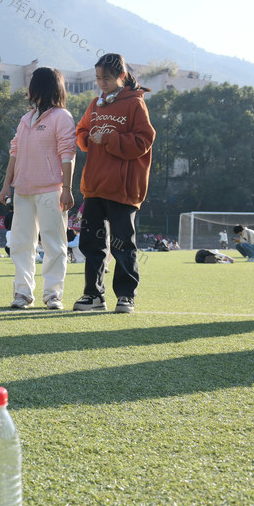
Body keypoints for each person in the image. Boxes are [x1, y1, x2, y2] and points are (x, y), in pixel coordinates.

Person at [74, 53, 155, 314]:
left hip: (123, 189)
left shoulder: (135, 104)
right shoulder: (95, 104)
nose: (101, 83)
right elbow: (81, 131)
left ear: (121, 76)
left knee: (122, 243)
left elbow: (143, 142)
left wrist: (108, 137)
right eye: (98, 78)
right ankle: (93, 295)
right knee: (91, 244)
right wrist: (87, 139)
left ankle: (126, 296)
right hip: (94, 186)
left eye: (106, 78)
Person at [0, 66, 76, 310]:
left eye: (33, 83)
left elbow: (68, 153)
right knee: (22, 244)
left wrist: (67, 187)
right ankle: (23, 293)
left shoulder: (62, 117)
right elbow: (15, 151)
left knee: (54, 244)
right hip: (23, 190)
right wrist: (6, 185)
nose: (29, 88)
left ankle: (53, 294)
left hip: (51, 190)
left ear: (42, 86)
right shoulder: (26, 119)